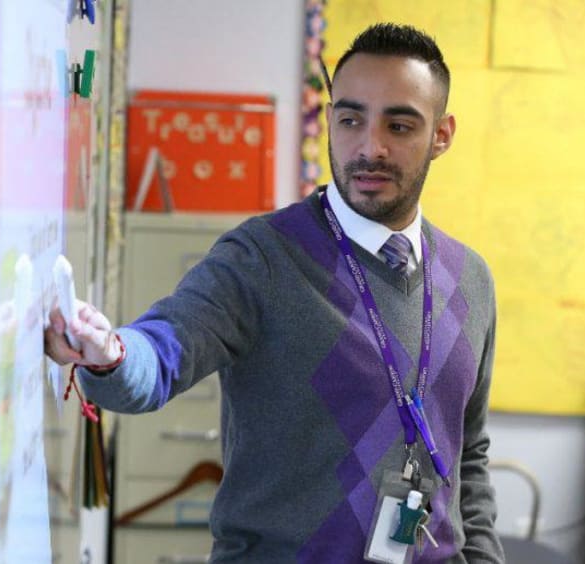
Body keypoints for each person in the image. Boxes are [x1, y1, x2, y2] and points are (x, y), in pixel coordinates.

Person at [45, 22, 504, 563]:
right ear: (330, 121)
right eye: (351, 119)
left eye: (400, 126)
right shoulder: (263, 256)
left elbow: (467, 453)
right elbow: (170, 346)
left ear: (442, 135)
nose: (370, 147)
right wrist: (113, 355)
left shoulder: (470, 279)